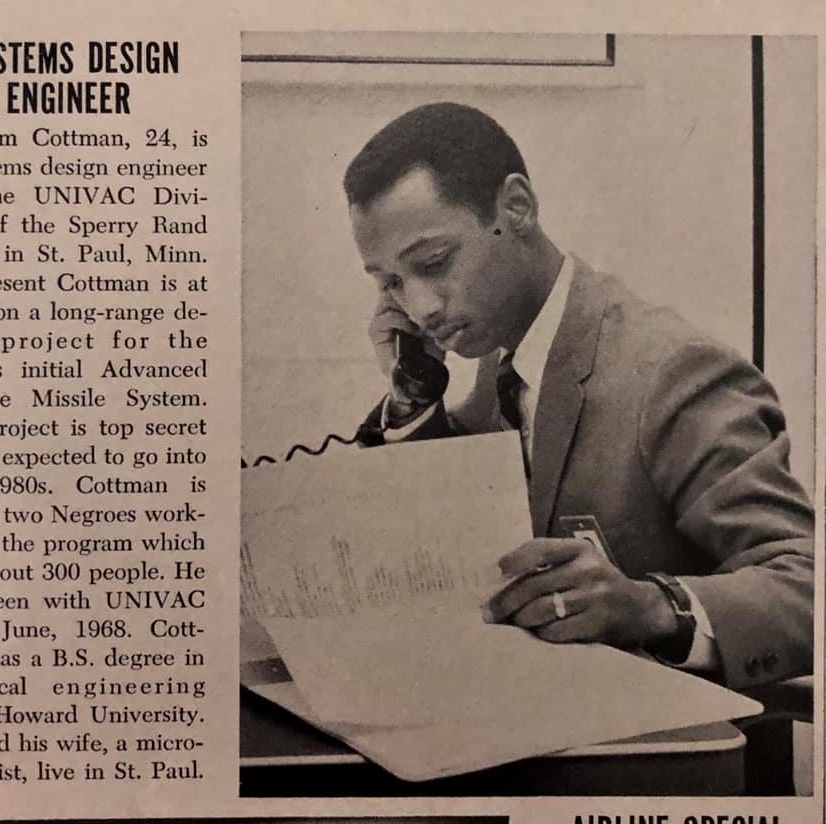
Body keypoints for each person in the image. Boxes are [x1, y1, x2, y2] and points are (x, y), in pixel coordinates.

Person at [345, 101, 813, 691]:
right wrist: (413, 396)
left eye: (434, 262)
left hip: (673, 756)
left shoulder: (671, 371)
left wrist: (652, 607)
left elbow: (806, 584)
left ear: (516, 207)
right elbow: (444, 537)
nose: (421, 307)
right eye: (390, 284)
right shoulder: (501, 371)